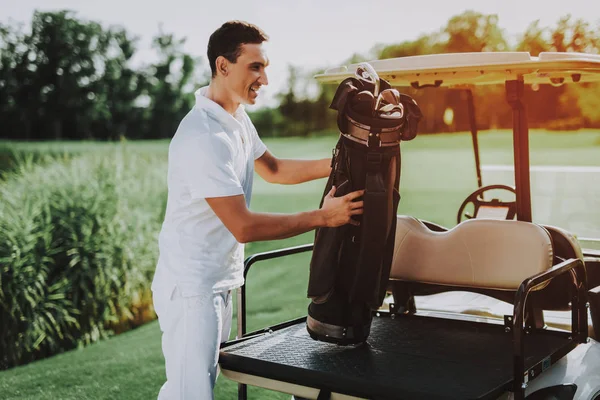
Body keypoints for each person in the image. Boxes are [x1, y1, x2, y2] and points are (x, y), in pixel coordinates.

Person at [150, 20, 364, 400]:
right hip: (192, 288)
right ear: (223, 66)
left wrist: (344, 159)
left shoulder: (235, 119)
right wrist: (323, 217)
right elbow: (244, 227)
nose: (264, 79)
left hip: (217, 282)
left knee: (195, 390)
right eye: (255, 67)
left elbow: (275, 169)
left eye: (265, 67)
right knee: (190, 394)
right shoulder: (203, 136)